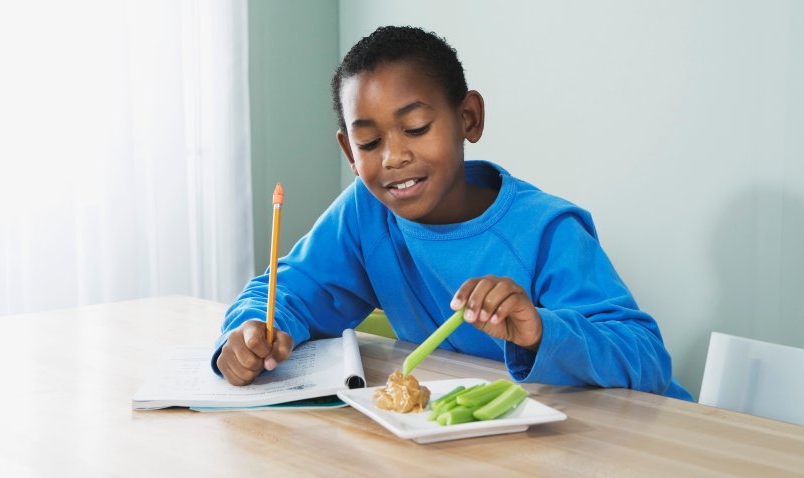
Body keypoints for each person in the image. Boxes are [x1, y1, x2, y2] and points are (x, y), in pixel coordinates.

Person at [212, 25, 693, 400]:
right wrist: (252, 331)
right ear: (348, 152)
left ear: (468, 119)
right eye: (369, 142)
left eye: (417, 127)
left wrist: (539, 333)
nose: (393, 157)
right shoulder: (364, 213)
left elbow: (646, 358)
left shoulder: (546, 230)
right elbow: (289, 289)